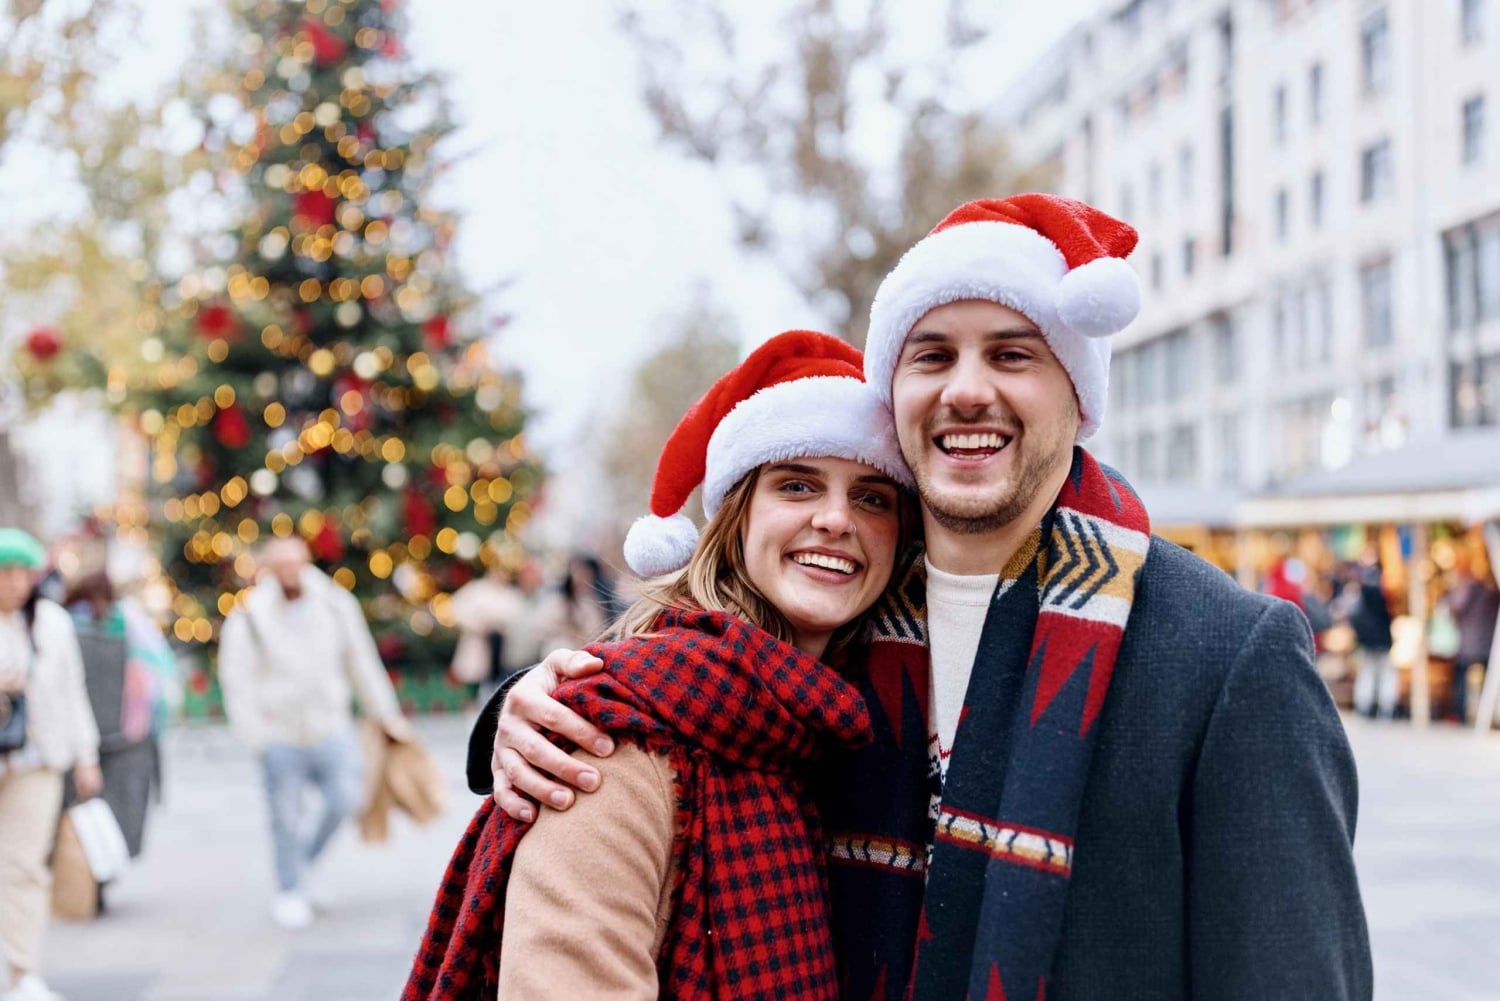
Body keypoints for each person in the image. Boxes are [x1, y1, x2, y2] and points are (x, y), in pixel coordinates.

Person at [480, 195, 1372, 999]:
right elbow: (680, 701)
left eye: (1013, 353)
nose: (967, 389)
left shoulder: (1226, 653)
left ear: (1078, 391)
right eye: (932, 354)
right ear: (894, 397)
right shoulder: (832, 640)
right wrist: (533, 706)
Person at [404, 331, 913, 1000]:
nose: (835, 519)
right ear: (736, 518)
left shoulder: (862, 719)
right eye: (797, 484)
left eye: (873, 497)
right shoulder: (612, 744)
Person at [217, 536, 411, 930]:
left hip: (330, 725)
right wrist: (255, 736)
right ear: (269, 569)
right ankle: (289, 889)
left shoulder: (335, 605)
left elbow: (361, 661)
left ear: (305, 562)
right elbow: (236, 680)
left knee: (346, 799)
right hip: (279, 733)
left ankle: (305, 862)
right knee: (284, 816)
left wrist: (385, 714)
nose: (290, 572)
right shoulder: (249, 615)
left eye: (295, 563)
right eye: (281, 565)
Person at [0, 529, 102, 1001]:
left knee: (23, 867)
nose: (14, 583)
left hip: (39, 760)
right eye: (6, 573)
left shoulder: (53, 623)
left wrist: (86, 755)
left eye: (22, 573)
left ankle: (23, 970)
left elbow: (73, 692)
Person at [1447, 559, 1500, 724]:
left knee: (1461, 677)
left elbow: (1455, 608)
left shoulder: (1465, 590)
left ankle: (1462, 714)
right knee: (1486, 678)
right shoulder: (1490, 592)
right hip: (1487, 644)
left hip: (1469, 644)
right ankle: (1487, 712)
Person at [1348, 548, 1397, 719]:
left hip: (1370, 639)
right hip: (1379, 639)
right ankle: (1382, 707)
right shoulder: (1379, 587)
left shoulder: (1364, 587)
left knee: (1371, 672)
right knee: (1382, 673)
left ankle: (1368, 706)